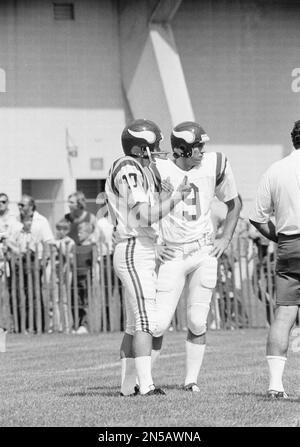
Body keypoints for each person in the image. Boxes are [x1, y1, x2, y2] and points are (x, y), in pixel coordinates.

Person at [152, 121, 241, 392]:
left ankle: (191, 380)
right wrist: (154, 242)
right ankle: (143, 380)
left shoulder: (215, 164)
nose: (203, 151)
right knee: (158, 324)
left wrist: (225, 238)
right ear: (180, 150)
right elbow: (138, 209)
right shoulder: (158, 168)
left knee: (197, 320)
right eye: (197, 147)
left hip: (203, 250)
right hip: (173, 252)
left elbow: (234, 203)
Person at [105, 118, 191, 396]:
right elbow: (142, 216)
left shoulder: (140, 170)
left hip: (139, 246)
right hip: (133, 247)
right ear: (141, 147)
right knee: (146, 320)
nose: (158, 149)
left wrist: (163, 197)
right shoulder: (128, 167)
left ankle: (129, 387)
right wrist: (175, 198)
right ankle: (146, 386)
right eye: (154, 145)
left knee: (135, 323)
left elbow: (145, 212)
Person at [249, 120, 300, 399]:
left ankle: (275, 385)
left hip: (289, 243)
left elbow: (257, 217)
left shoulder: (276, 169)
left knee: (284, 314)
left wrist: (280, 238)